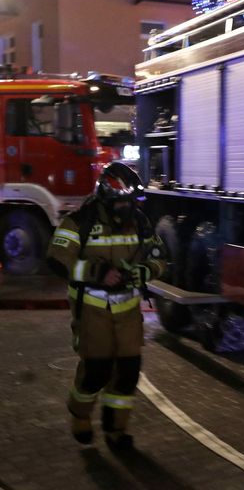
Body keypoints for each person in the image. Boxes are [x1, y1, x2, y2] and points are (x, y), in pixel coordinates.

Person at [47, 162, 167, 451]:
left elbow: (159, 255)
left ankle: (116, 430)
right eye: (122, 202)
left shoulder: (140, 222)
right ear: (106, 197)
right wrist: (97, 273)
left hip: (127, 312)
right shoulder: (79, 222)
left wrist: (145, 272)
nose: (128, 209)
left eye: (132, 202)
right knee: (96, 371)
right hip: (93, 311)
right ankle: (80, 414)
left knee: (128, 372)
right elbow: (56, 259)